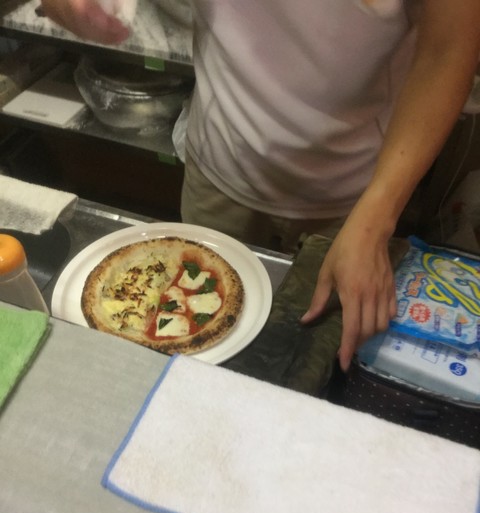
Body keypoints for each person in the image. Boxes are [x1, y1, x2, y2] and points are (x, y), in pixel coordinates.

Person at [41, 0, 480, 371]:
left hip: (358, 194)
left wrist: (377, 219)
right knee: (191, 367)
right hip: (220, 161)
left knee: (314, 364)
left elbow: (451, 48)